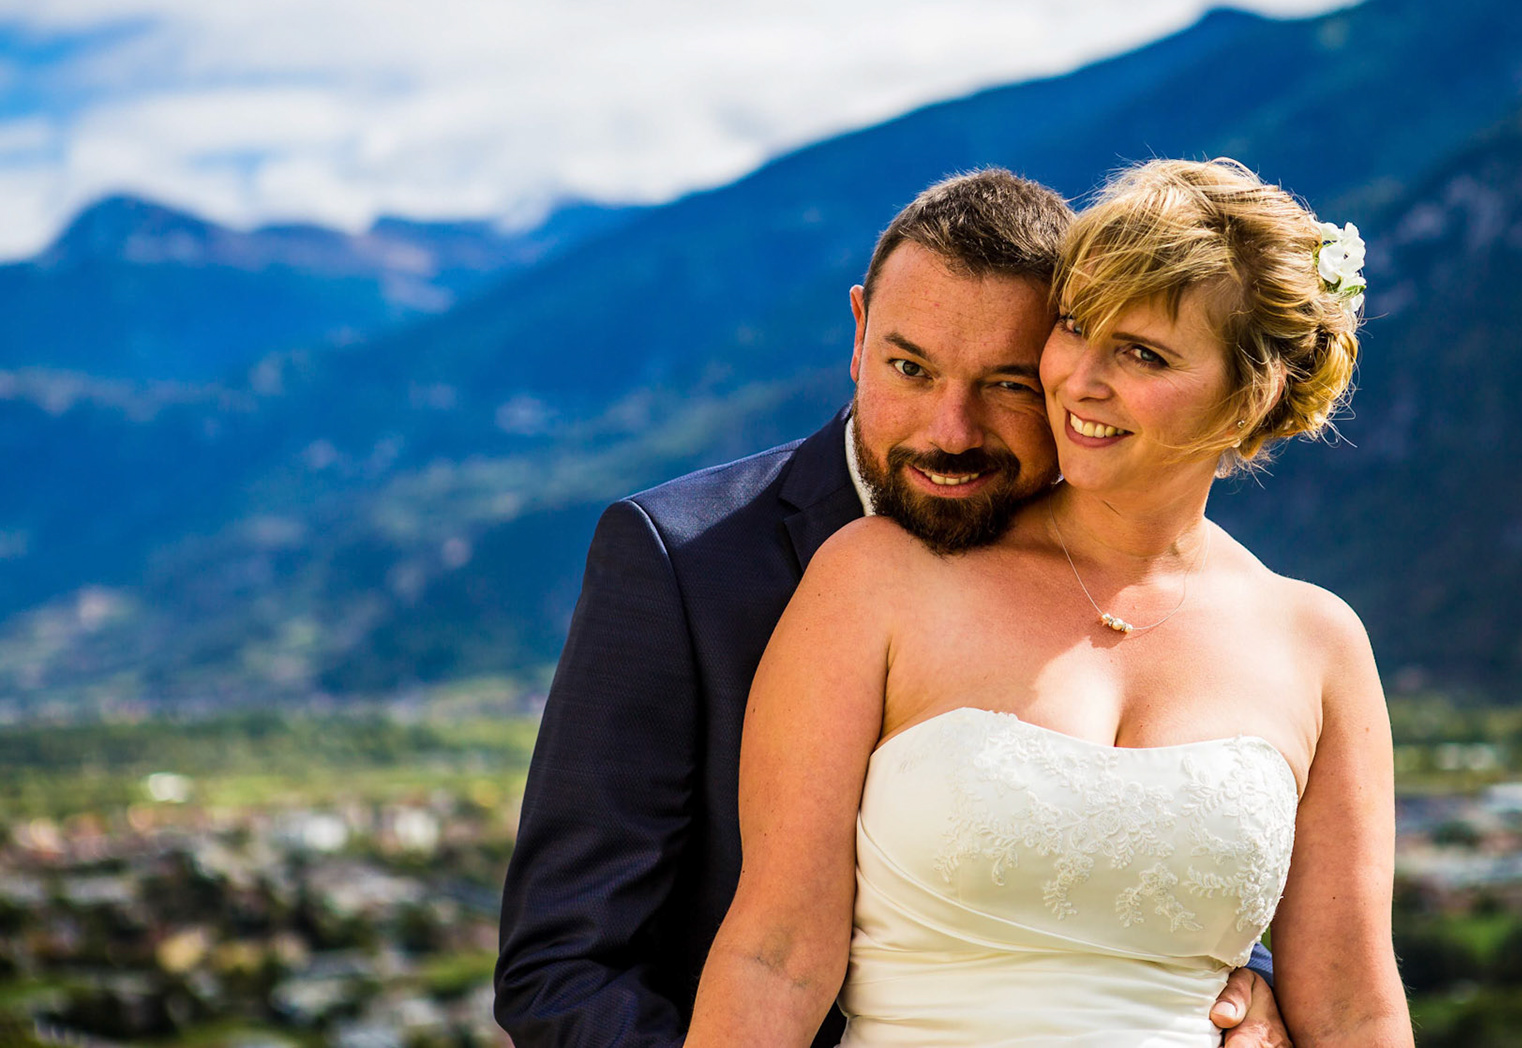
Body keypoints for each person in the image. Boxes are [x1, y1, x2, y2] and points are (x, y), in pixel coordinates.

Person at [493, 168, 1290, 1046]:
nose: (950, 432)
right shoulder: (682, 560)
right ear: (859, 331)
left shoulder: (1131, 572)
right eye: (910, 369)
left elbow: (1124, 843)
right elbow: (563, 966)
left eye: (1009, 384)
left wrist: (1243, 978)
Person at [683, 158, 1410, 1047]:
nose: (1076, 379)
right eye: (1076, 327)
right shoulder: (879, 578)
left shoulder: (1318, 645)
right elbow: (776, 957)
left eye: (1143, 354)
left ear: (1250, 395)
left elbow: (1352, 1008)